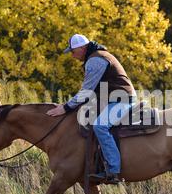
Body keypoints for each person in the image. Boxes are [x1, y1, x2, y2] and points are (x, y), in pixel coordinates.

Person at [47, 34, 136, 184]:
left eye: (73, 52)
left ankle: (113, 170)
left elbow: (86, 91)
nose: (73, 56)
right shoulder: (97, 56)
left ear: (82, 48)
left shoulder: (95, 60)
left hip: (122, 100)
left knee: (100, 126)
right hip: (111, 100)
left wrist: (66, 107)